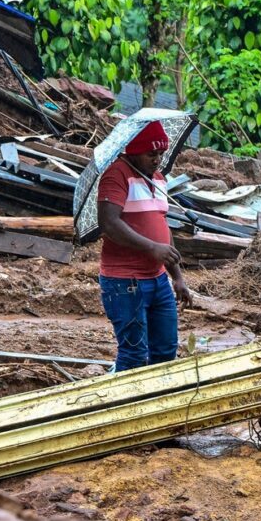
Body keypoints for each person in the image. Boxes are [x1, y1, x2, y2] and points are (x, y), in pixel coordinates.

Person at [97, 120, 192, 372]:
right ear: (135, 151)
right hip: (125, 283)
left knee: (165, 350)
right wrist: (151, 248)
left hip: (158, 279)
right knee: (134, 354)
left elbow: (161, 226)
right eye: (151, 154)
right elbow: (108, 222)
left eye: (161, 154)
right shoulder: (116, 175)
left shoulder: (158, 179)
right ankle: (121, 406)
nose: (157, 159)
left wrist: (178, 276)